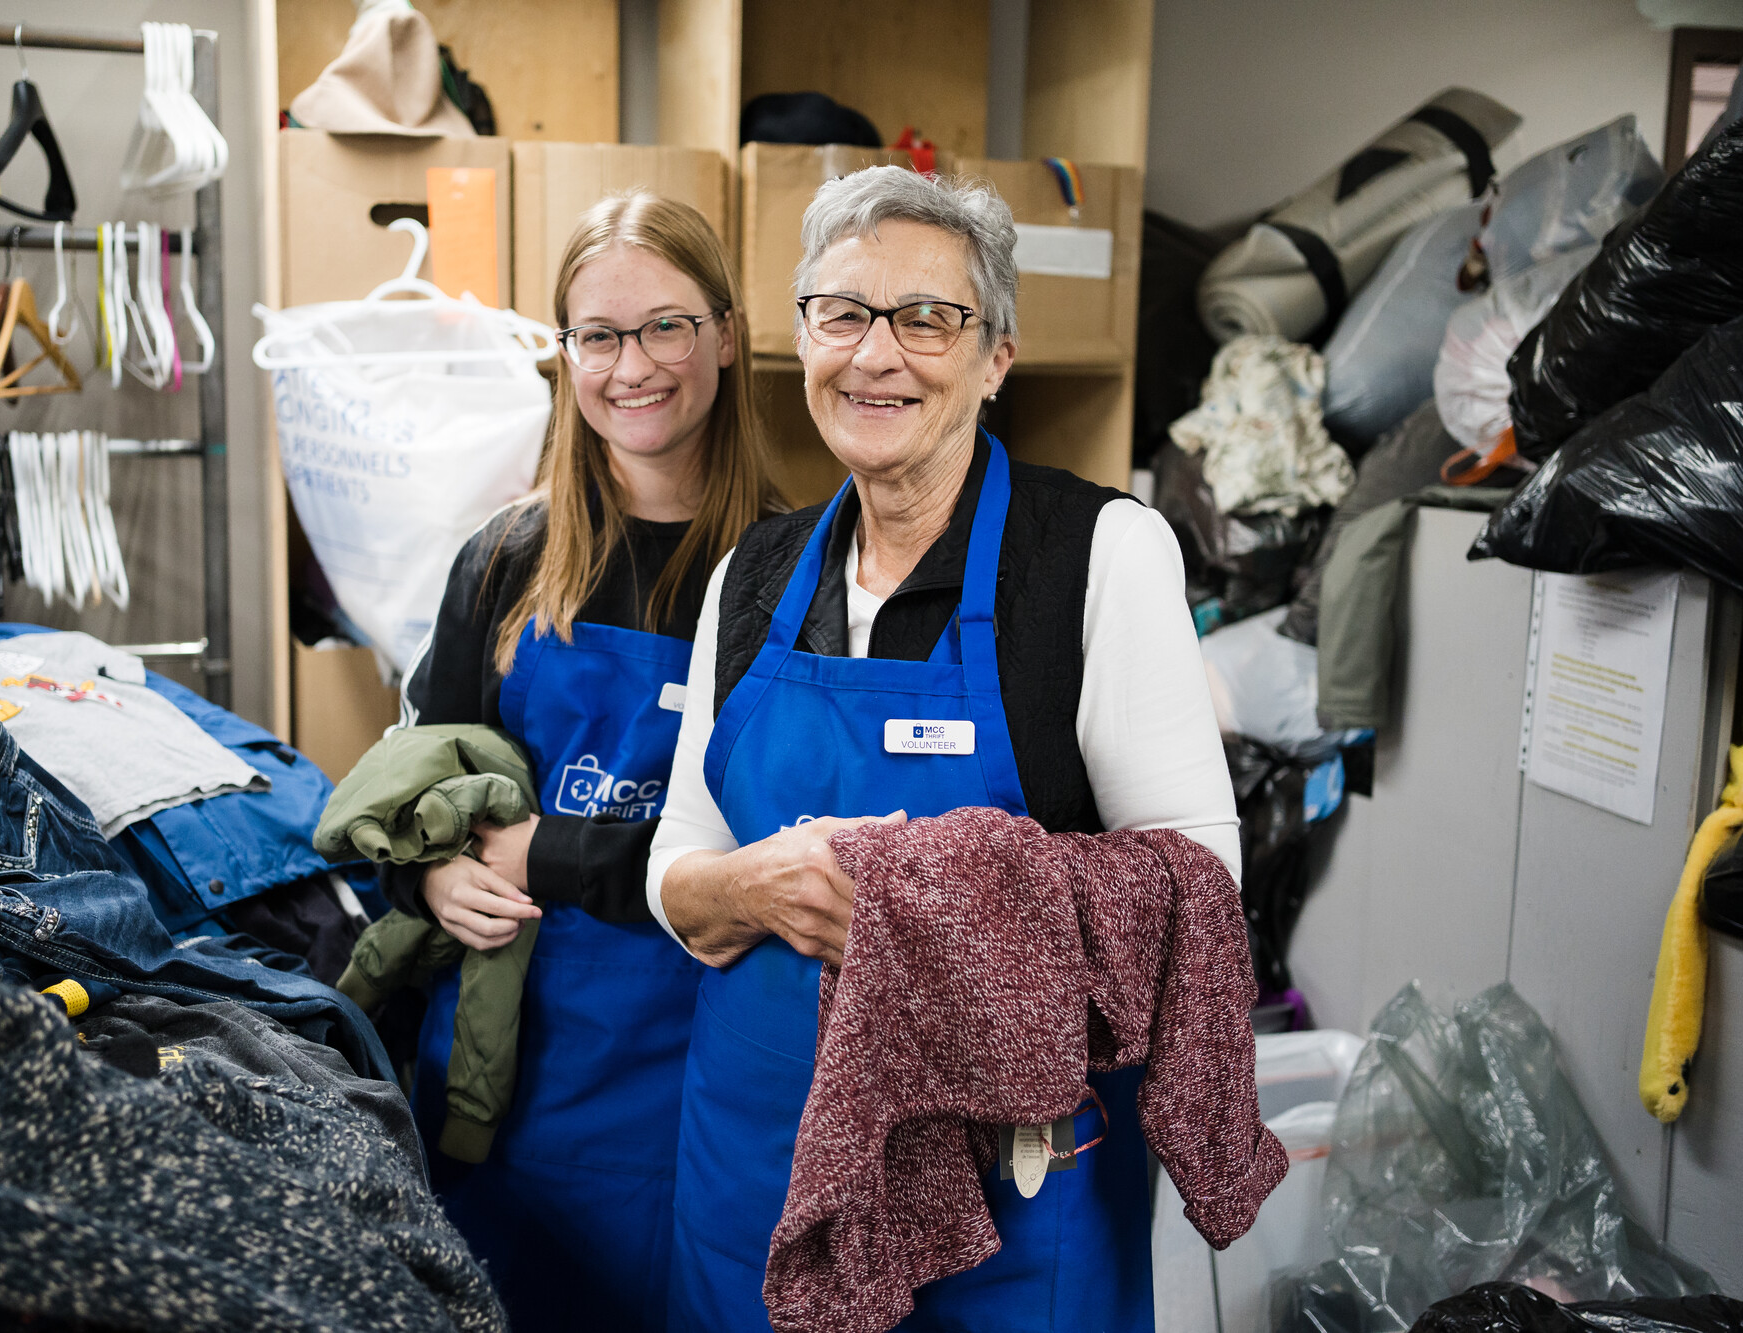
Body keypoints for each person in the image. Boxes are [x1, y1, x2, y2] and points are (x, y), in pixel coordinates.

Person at [647, 167, 1244, 1331]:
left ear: (994, 358)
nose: (877, 355)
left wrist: (924, 898)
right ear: (801, 338)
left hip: (1002, 1220)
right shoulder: (753, 572)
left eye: (927, 319)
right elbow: (678, 862)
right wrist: (754, 885)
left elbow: (1195, 895)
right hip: (751, 1176)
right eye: (843, 313)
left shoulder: (1099, 553)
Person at [397, 191, 782, 1332]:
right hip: (506, 1074)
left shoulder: (791, 571)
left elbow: (775, 853)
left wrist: (546, 850)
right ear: (563, 355)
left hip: (696, 1072)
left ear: (724, 335)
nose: (631, 366)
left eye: (664, 326)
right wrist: (425, 873)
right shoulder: (506, 558)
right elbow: (417, 781)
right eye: (597, 336)